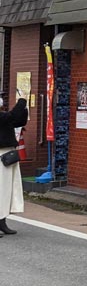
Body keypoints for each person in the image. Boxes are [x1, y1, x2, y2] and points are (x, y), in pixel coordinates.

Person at [0, 91, 29, 237]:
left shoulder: (3, 116)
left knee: (6, 190)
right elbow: (11, 116)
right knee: (1, 189)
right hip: (1, 156)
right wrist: (22, 100)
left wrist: (24, 108)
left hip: (7, 155)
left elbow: (18, 121)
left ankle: (2, 221)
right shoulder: (2, 116)